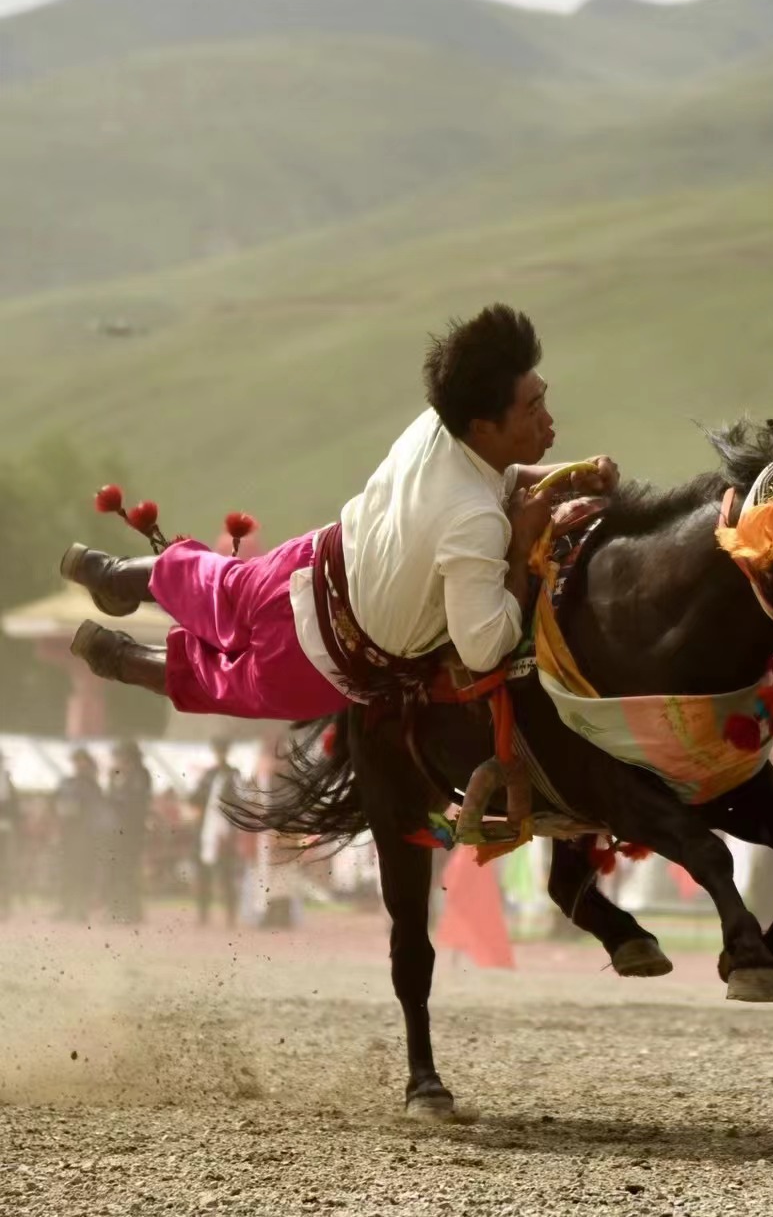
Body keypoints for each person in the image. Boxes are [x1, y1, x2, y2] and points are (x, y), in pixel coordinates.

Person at [60, 305, 619, 725]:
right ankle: (119, 657)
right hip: (321, 658)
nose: (548, 419)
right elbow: (483, 646)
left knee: (216, 583)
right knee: (222, 682)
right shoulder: (476, 520)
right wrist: (521, 549)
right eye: (533, 407)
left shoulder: (439, 426)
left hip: (305, 566)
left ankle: (109, 574)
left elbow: (488, 478)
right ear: (483, 426)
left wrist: (568, 473)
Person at [190, 737, 243, 927]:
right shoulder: (208, 775)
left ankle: (231, 916)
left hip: (224, 830)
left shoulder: (233, 774)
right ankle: (203, 914)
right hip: (206, 830)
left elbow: (238, 802)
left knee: (226, 874)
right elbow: (195, 798)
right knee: (204, 875)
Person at [52, 748, 106, 922]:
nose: (78, 765)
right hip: (68, 833)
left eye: (81, 761)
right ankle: (66, 906)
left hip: (86, 834)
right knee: (67, 871)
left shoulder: (92, 784)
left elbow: (96, 809)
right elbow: (54, 802)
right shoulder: (68, 782)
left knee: (83, 872)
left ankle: (80, 908)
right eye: (76, 761)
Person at [105, 739, 152, 924]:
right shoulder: (120, 774)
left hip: (132, 831)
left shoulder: (140, 774)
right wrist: (113, 780)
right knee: (116, 871)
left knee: (128, 871)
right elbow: (109, 797)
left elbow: (134, 801)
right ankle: (116, 909)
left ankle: (132, 911)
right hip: (118, 830)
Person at [0, 750, 21, 920]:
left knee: (5, 868)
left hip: (5, 830)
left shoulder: (7, 780)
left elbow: (15, 808)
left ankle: (5, 905)